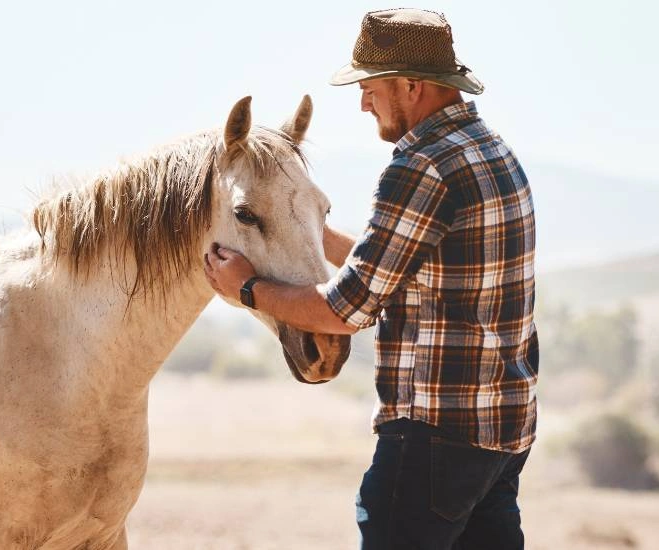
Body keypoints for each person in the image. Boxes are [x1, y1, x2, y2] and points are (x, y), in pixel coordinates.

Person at [204, 8, 538, 549]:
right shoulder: (492, 152)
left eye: (371, 88)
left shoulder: (420, 167)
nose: (363, 102)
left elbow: (347, 310)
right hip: (500, 435)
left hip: (432, 439)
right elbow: (399, 260)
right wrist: (311, 235)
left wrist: (246, 288)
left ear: (411, 86)